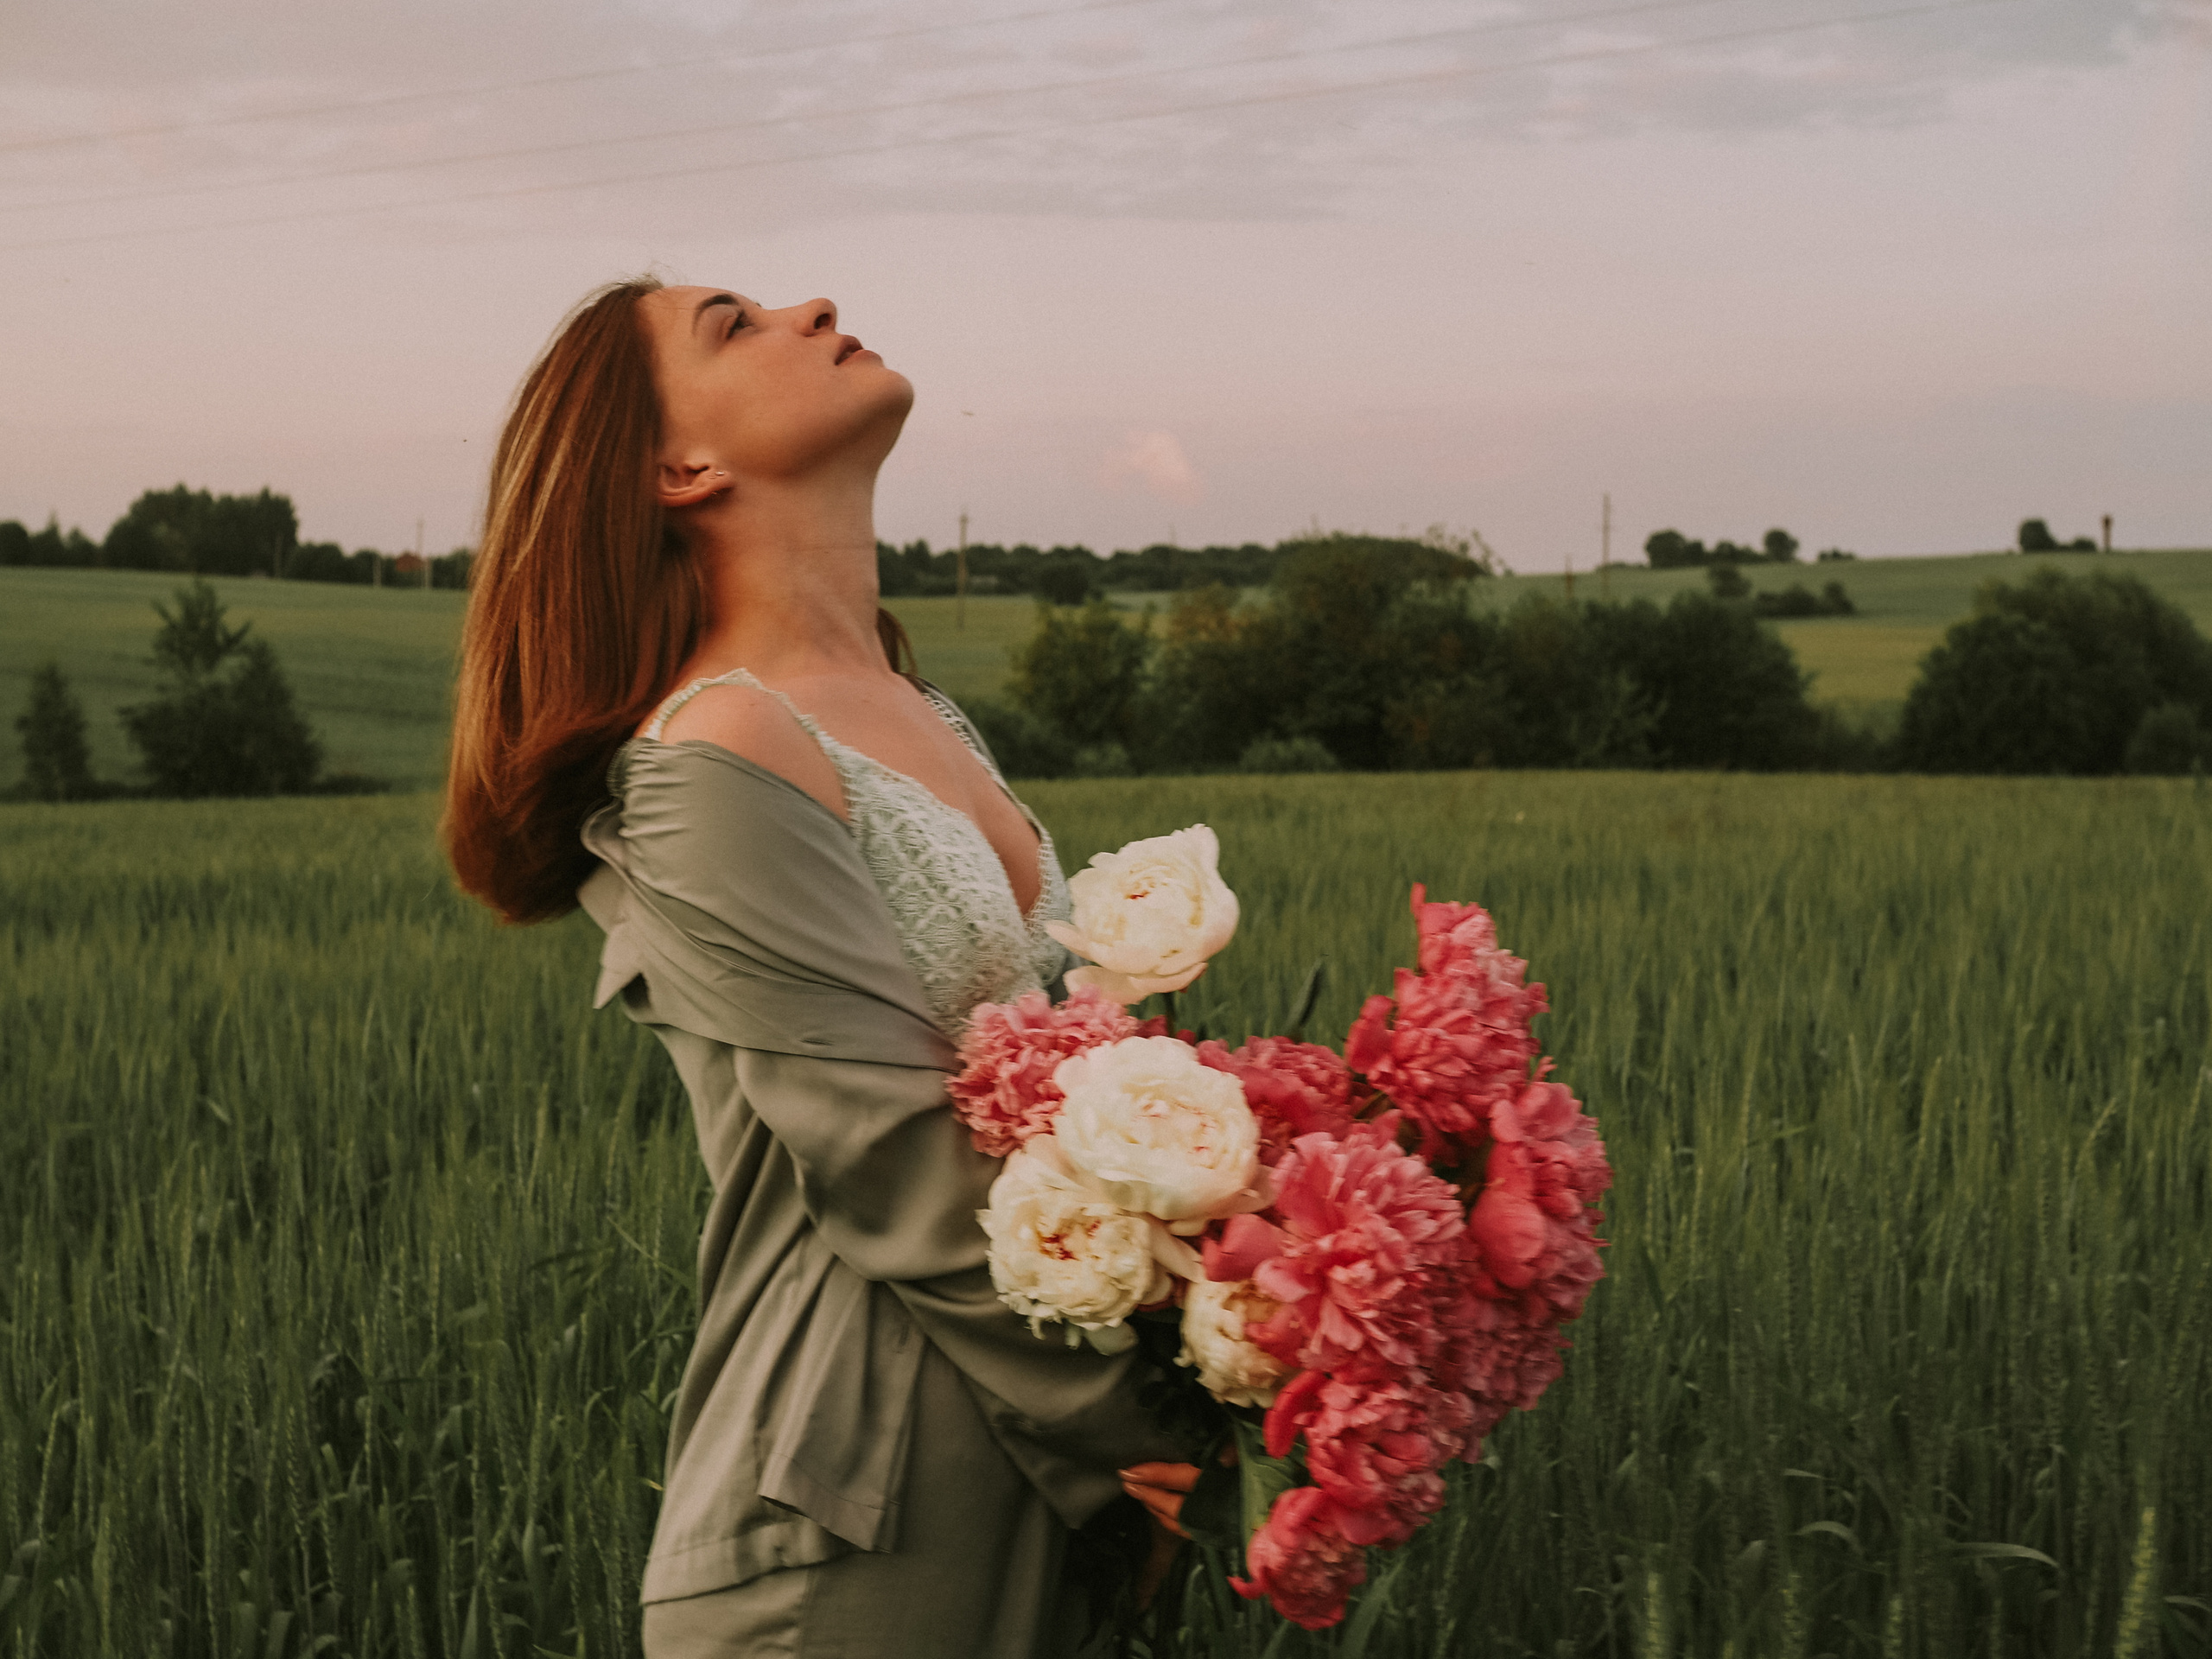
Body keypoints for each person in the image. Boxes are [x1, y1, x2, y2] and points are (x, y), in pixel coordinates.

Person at [442, 276, 1200, 1657]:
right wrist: (1189, 1412)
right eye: (732, 325)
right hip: (850, 1517)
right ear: (682, 468)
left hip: (1042, 1476)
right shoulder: (710, 756)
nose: (813, 302)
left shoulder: (925, 717)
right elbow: (892, 1164)